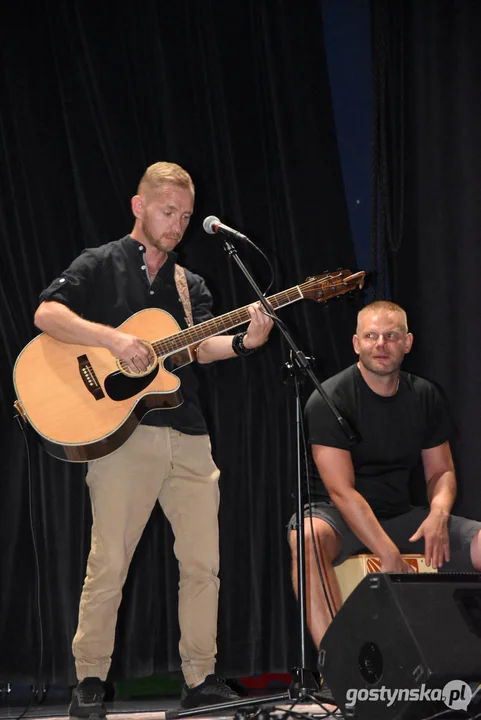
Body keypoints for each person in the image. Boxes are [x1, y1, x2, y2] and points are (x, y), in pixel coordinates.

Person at [34, 161, 273, 718]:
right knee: (109, 562)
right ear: (139, 207)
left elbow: (201, 347)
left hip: (187, 432)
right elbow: (47, 314)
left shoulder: (191, 286)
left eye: (186, 216)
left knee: (202, 564)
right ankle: (90, 680)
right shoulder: (98, 263)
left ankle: (201, 678)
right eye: (169, 212)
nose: (178, 224)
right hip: (122, 436)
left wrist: (246, 342)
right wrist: (114, 340)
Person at [288, 300, 481, 649]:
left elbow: (441, 471)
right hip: (336, 515)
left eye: (391, 336)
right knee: (307, 539)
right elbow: (342, 492)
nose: (381, 344)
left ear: (407, 343)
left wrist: (439, 513)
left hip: (398, 513)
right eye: (371, 336)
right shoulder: (329, 398)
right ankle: (338, 666)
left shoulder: (424, 394)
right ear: (356, 344)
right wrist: (387, 554)